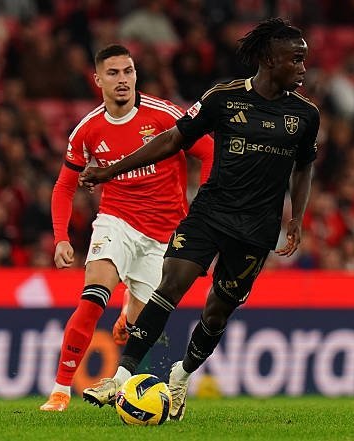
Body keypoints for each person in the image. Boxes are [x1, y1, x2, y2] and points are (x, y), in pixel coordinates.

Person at [79, 18, 319, 422]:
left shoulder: (305, 114)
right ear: (268, 59)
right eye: (295, 59)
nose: (302, 68)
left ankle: (182, 374)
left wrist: (296, 218)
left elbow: (304, 166)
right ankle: (120, 377)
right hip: (210, 214)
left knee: (217, 312)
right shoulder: (223, 99)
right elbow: (174, 138)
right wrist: (110, 170)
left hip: (257, 229)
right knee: (170, 284)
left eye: (304, 60)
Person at [39, 44, 214, 411]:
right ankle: (60, 390)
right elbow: (64, 186)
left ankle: (129, 312)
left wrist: (204, 211)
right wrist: (61, 238)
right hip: (116, 221)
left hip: (164, 235)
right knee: (93, 297)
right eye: (114, 73)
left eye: (128, 71)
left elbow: (209, 151)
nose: (123, 79)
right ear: (98, 79)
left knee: (143, 325)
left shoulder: (164, 115)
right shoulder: (87, 130)